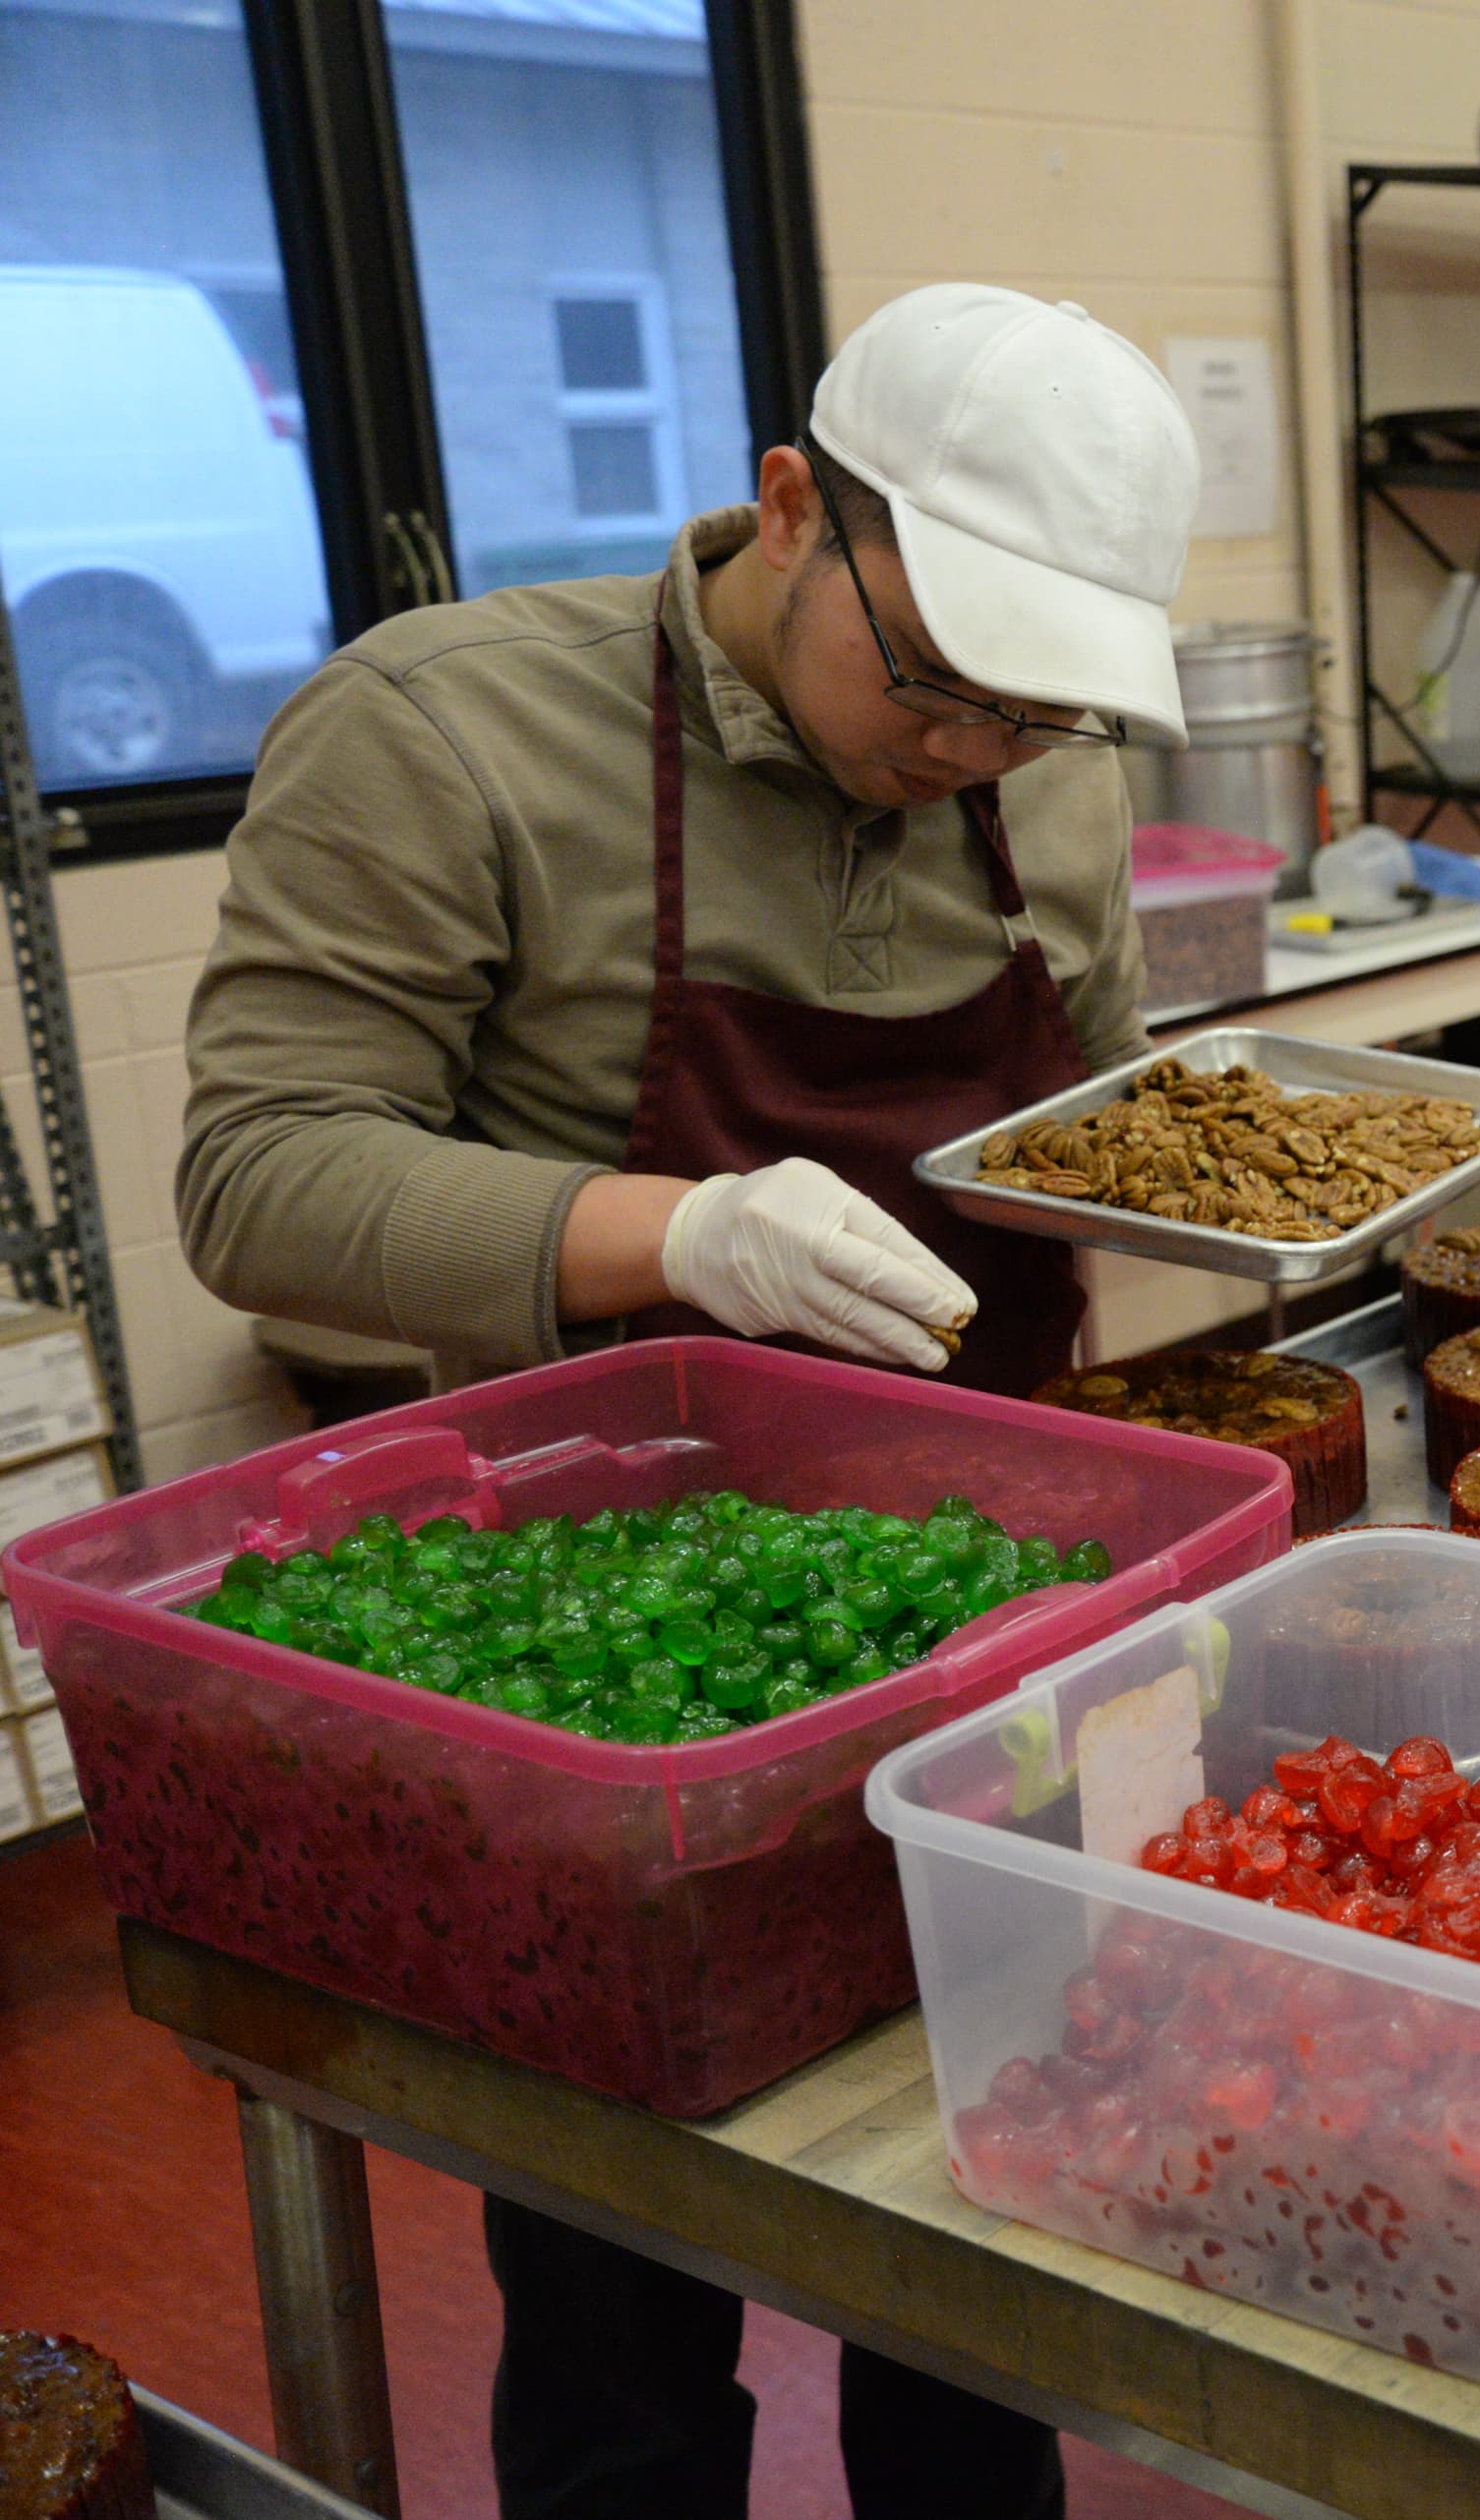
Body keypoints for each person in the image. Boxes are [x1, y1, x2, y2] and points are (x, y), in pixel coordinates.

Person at [178, 281, 1202, 2520]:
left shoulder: (1054, 777)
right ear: (787, 506)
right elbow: (253, 1175)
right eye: (926, 681)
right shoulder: (450, 736)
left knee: (986, 2261)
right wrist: (674, 1233)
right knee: (623, 2301)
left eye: (1027, 719)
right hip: (617, 1666)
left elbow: (1098, 1132)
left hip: (992, 1624)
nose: (964, 753)